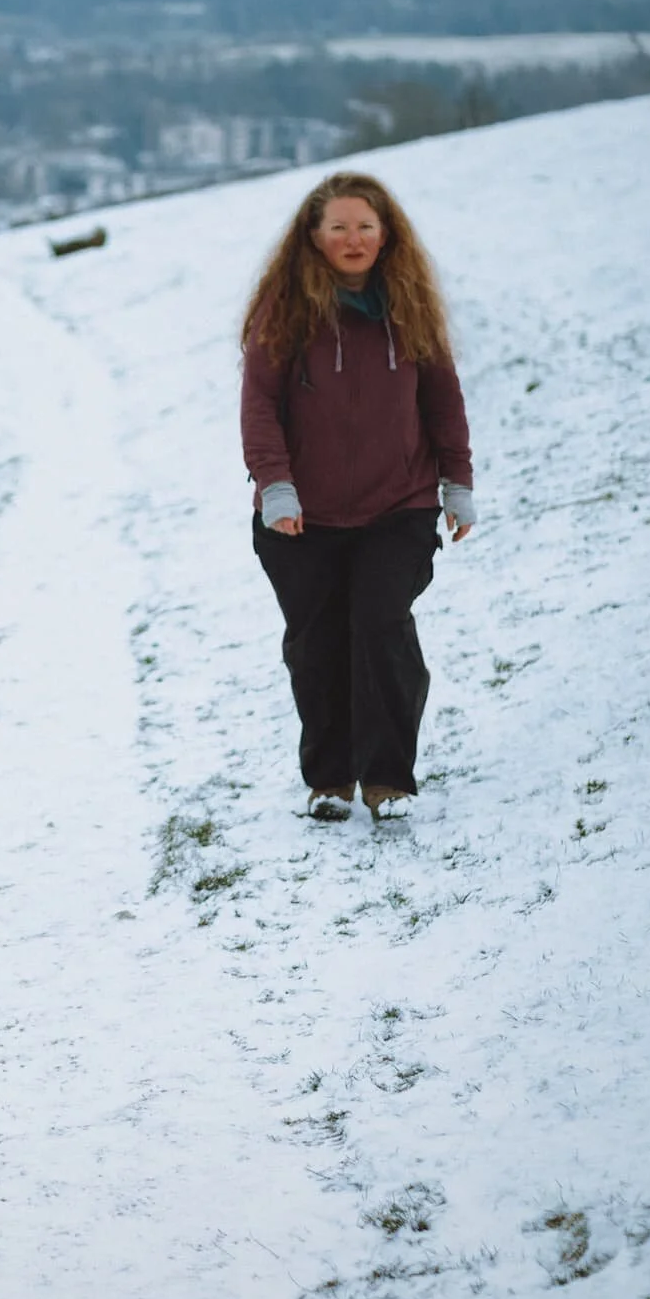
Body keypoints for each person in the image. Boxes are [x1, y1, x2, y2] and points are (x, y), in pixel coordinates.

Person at [239, 171, 474, 824]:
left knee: (380, 622)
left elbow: (442, 398)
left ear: (386, 233)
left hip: (398, 507)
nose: (353, 238)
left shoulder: (410, 306)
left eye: (366, 226)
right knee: (316, 642)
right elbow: (259, 405)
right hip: (300, 514)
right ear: (312, 235)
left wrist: (457, 482)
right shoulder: (284, 310)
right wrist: (275, 485)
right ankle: (330, 777)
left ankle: (387, 778)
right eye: (338, 226)